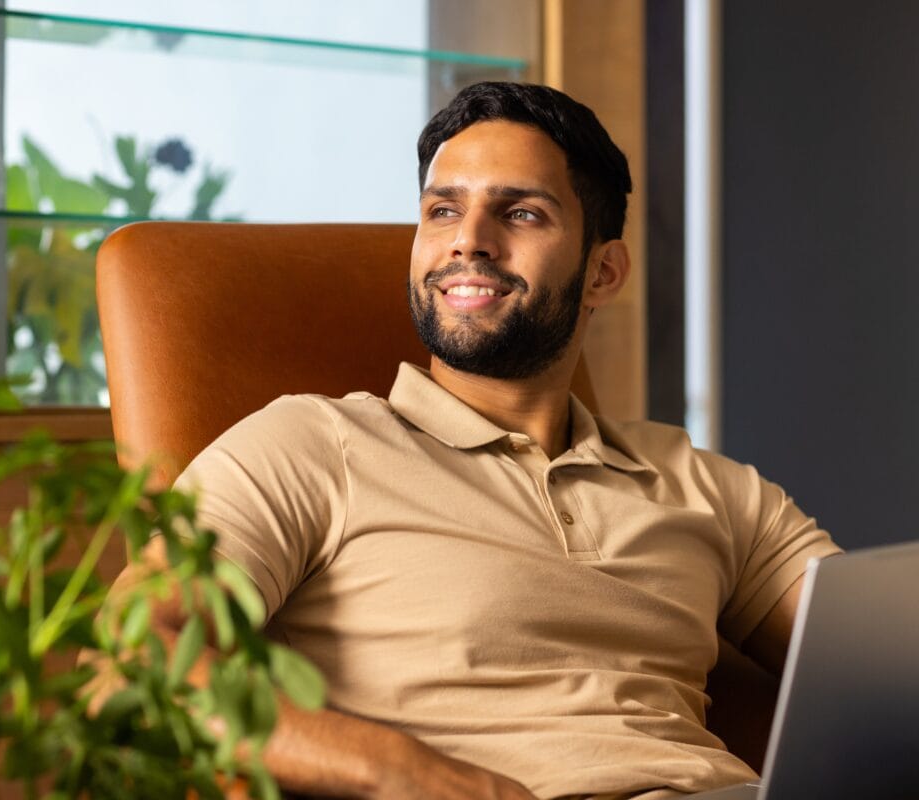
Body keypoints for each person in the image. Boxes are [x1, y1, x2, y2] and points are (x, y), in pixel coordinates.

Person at [140, 82, 841, 799]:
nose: (468, 238)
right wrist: (402, 770)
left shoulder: (705, 485)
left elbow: (878, 663)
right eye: (442, 210)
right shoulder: (311, 446)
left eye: (521, 213)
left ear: (602, 273)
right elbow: (133, 660)